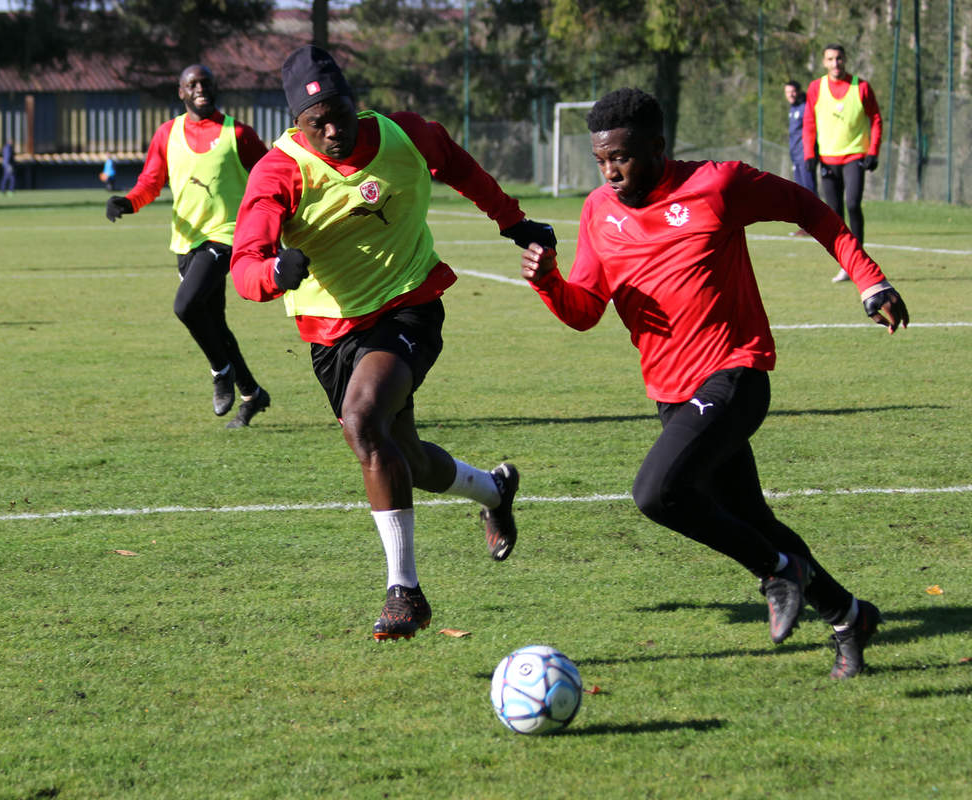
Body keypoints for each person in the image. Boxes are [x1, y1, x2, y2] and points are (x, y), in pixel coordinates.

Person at [520, 88, 908, 679]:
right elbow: (585, 310)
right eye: (601, 160)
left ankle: (778, 574)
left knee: (655, 493)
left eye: (621, 157)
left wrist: (869, 280)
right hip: (671, 394)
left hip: (735, 370)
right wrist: (549, 281)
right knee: (752, 519)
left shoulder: (718, 185)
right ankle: (848, 616)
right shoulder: (599, 210)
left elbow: (809, 208)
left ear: (658, 146)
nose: (610, 172)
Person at [231, 46, 557, 640]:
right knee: (401, 453)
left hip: (409, 307)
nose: (333, 129)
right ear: (294, 124)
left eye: (340, 112)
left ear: (356, 101)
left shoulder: (406, 135)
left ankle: (405, 591)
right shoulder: (278, 172)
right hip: (333, 334)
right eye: (316, 122)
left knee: (362, 424)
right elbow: (245, 266)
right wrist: (275, 274)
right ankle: (493, 489)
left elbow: (461, 166)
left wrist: (513, 222)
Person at [105, 64, 272, 427]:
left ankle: (220, 372)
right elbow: (151, 181)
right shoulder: (167, 133)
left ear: (216, 88)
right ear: (180, 92)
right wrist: (128, 202)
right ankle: (252, 394)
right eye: (191, 84)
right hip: (185, 240)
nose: (200, 88)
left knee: (185, 306)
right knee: (214, 324)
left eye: (206, 82)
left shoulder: (238, 134)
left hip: (227, 235)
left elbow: (269, 176)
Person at [802, 44, 883, 282]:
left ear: (845, 60)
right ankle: (845, 264)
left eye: (839, 58)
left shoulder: (862, 87)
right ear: (824, 62)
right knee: (834, 214)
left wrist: (873, 151)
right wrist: (809, 154)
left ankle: (860, 263)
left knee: (853, 203)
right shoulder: (816, 88)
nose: (835, 63)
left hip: (855, 156)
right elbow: (809, 122)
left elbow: (876, 119)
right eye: (830, 59)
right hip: (828, 158)